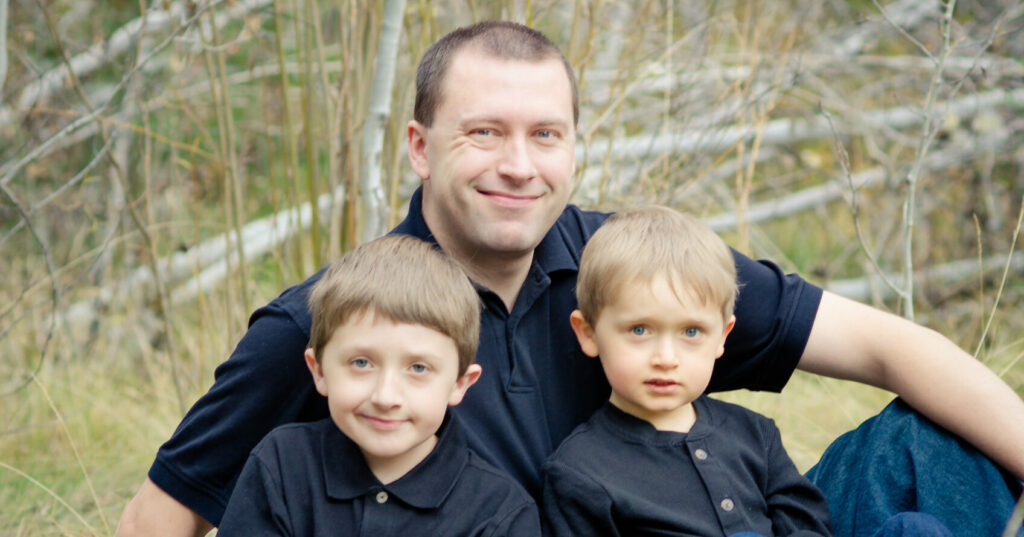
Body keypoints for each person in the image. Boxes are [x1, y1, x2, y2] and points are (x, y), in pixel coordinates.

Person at [116, 21, 1024, 537]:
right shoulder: (344, 320)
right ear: (421, 147)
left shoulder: (633, 267)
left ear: (574, 147)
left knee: (939, 442)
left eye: (545, 135)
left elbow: (886, 342)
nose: (520, 165)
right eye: (485, 132)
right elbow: (164, 514)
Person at [541, 206, 953, 537]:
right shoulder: (580, 472)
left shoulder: (753, 433)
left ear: (723, 337)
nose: (665, 356)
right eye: (640, 330)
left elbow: (806, 520)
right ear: (589, 333)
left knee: (914, 529)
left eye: (690, 332)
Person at [216, 235, 540, 536]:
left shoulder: (499, 512)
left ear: (459, 383)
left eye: (418, 368)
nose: (386, 396)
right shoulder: (282, 467)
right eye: (361, 363)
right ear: (319, 371)